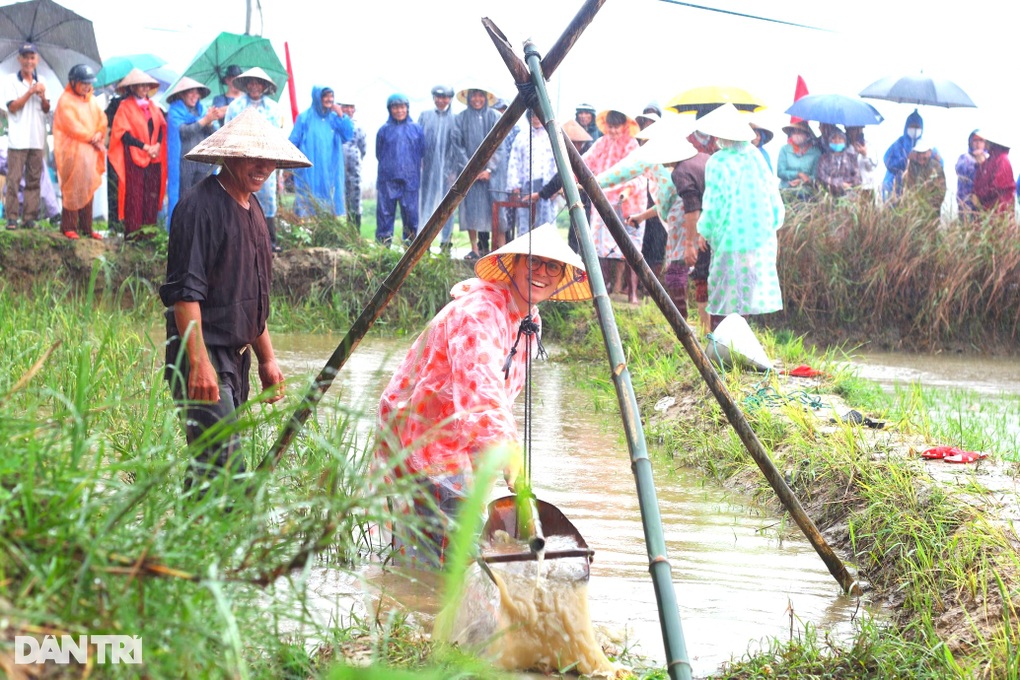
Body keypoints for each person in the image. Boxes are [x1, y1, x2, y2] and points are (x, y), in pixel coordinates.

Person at [374, 222, 590, 566]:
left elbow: (501, 400)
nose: (542, 273)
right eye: (533, 263)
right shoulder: (479, 312)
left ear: (562, 277)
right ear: (513, 264)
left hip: (458, 441)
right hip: (424, 436)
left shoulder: (528, 321)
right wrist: (509, 454)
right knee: (440, 557)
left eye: (553, 267)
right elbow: (482, 396)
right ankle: (422, 607)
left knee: (447, 546)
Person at [160, 108, 310, 496]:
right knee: (228, 471)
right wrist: (199, 364)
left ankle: (182, 548)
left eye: (268, 159)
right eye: (251, 157)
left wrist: (268, 359)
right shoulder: (198, 207)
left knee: (208, 472)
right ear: (228, 155)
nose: (262, 167)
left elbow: (251, 296)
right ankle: (224, 547)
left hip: (236, 357)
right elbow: (185, 295)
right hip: (202, 352)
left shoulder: (254, 208)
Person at [695, 104, 785, 331]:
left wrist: (704, 231)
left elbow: (713, 203)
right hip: (757, 236)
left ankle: (721, 344)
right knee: (746, 292)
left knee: (724, 291)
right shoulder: (756, 156)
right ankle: (740, 344)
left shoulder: (717, 161)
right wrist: (773, 225)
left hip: (729, 236)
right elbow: (772, 196)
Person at [598, 115, 696, 306]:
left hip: (684, 220)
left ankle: (680, 315)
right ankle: (681, 312)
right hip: (687, 219)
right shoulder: (677, 164)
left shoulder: (658, 161)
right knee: (680, 267)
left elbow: (620, 173)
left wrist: (590, 182)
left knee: (677, 268)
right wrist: (642, 216)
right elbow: (666, 201)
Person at [583, 109, 645, 297]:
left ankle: (632, 292)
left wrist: (627, 190)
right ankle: (604, 289)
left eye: (617, 127)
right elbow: (585, 162)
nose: (614, 131)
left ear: (624, 126)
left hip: (629, 201)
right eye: (610, 127)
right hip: (602, 199)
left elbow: (639, 172)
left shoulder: (632, 145)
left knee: (630, 248)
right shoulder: (600, 143)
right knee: (600, 247)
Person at [226, 67, 285, 251]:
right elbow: (227, 132)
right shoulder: (235, 106)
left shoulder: (273, 109)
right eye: (251, 82)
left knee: (267, 198)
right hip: (241, 159)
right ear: (245, 85)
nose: (254, 86)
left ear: (264, 86)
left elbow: (278, 136)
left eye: (258, 83)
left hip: (264, 160)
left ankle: (269, 241)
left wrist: (278, 169)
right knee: (240, 195)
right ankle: (240, 240)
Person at [109, 68, 167, 239]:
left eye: (146, 85)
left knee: (151, 193)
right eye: (140, 86)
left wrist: (156, 145)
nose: (144, 89)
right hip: (134, 156)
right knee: (134, 194)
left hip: (154, 157)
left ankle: (149, 232)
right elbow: (123, 134)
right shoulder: (124, 106)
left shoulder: (153, 107)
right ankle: (133, 233)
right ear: (132, 87)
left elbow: (161, 127)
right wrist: (144, 146)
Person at [52, 64, 106, 240]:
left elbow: (102, 120)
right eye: (83, 83)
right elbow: (71, 125)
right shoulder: (65, 100)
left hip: (89, 155)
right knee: (73, 189)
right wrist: (92, 136)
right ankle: (68, 226)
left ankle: (86, 227)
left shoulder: (92, 100)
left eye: (89, 83)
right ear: (74, 82)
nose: (87, 86)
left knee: (88, 189)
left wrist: (99, 133)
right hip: (72, 154)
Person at [450, 87, 502, 260]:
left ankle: (493, 251)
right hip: (468, 175)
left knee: (492, 211)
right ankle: (475, 248)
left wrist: (489, 169)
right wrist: (470, 170)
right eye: (474, 96)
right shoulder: (460, 119)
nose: (477, 99)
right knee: (470, 210)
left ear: (486, 98)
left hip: (490, 176)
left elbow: (500, 144)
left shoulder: (495, 117)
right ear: (468, 98)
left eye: (480, 95)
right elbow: (457, 145)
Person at [289, 85, 355, 221]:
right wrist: (289, 168)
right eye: (325, 96)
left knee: (329, 207)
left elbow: (348, 135)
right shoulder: (304, 118)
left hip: (330, 171)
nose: (329, 99)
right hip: (309, 172)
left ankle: (327, 237)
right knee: (307, 207)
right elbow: (292, 143)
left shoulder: (335, 118)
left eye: (331, 96)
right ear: (317, 97)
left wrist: (341, 115)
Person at [3, 43, 50, 230]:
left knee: (33, 180)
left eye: (32, 57)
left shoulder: (43, 80)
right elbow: (12, 107)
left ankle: (29, 217)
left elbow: (47, 109)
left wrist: (43, 96)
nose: (29, 61)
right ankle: (12, 217)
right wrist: (30, 91)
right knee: (13, 179)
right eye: (25, 57)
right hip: (17, 139)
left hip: (37, 139)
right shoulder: (10, 81)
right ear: (19, 59)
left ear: (37, 60)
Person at [166, 76, 225, 223]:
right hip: (185, 162)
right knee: (186, 197)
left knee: (204, 196)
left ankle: (202, 227)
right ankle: (184, 228)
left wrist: (210, 122)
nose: (194, 96)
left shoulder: (203, 110)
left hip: (204, 162)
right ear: (181, 94)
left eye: (196, 92)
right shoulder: (174, 112)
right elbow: (184, 132)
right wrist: (205, 121)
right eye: (190, 92)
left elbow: (214, 135)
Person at [531, 119, 592, 254]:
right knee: (575, 234)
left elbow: (560, 178)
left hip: (590, 200)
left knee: (583, 236)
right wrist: (543, 193)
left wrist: (541, 194)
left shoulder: (586, 155)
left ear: (577, 143)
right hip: (578, 200)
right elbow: (560, 178)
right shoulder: (569, 156)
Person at [374, 93, 425, 245]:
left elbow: (422, 151)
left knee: (411, 216)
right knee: (384, 215)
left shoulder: (416, 129)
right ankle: (383, 250)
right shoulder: (383, 130)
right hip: (387, 180)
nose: (399, 110)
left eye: (402, 107)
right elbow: (379, 153)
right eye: (395, 107)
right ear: (390, 109)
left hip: (410, 180)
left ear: (407, 108)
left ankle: (410, 250)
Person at [505, 109, 557, 237]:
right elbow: (514, 161)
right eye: (533, 116)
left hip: (547, 184)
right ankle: (525, 254)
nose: (536, 119)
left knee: (546, 223)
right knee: (525, 222)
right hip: (526, 185)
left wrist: (555, 189)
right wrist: (514, 185)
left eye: (539, 115)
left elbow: (557, 163)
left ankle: (545, 255)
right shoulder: (522, 136)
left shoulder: (552, 136)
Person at [418, 85, 457, 252]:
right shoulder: (425, 116)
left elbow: (457, 146)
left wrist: (453, 171)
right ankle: (423, 242)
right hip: (426, 171)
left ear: (450, 99)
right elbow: (417, 141)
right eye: (438, 97)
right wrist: (419, 162)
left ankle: (446, 242)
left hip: (448, 172)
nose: (441, 101)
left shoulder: (455, 119)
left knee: (447, 207)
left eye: (445, 97)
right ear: (434, 97)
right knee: (425, 205)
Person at [882, 110, 938, 200]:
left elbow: (939, 162)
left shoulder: (925, 145)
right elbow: (887, 161)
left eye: (917, 127)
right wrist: (906, 158)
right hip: (896, 187)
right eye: (912, 126)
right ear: (907, 127)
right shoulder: (899, 144)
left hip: (917, 189)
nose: (915, 130)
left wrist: (926, 158)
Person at [972, 129, 1015, 216]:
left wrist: (979, 196)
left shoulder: (1003, 160)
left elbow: (997, 188)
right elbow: (979, 182)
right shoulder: (990, 160)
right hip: (987, 213)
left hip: (998, 214)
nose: (985, 142)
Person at [339, 100, 367, 227]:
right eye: (346, 107)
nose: (349, 110)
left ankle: (354, 231)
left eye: (352, 107)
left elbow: (363, 148)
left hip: (353, 168)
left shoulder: (358, 126)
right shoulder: (335, 124)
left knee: (354, 199)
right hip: (336, 167)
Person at [776, 120, 821, 199]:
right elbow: (780, 172)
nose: (796, 135)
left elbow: (816, 176)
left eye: (799, 133)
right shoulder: (785, 150)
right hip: (785, 190)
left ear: (807, 136)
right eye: (794, 133)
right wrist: (798, 174)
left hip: (806, 193)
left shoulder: (815, 152)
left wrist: (804, 180)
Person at [902, 141, 946, 218]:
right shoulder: (911, 166)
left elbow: (941, 191)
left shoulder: (936, 167)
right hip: (914, 211)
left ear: (929, 153)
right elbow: (908, 187)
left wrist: (929, 206)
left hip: (931, 212)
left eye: (923, 153)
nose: (921, 156)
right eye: (919, 153)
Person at [815, 125, 860, 197]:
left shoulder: (852, 158)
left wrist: (847, 185)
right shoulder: (823, 159)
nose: (837, 141)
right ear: (829, 141)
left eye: (840, 138)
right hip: (828, 196)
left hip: (849, 195)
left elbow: (857, 177)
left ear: (845, 141)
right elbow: (822, 177)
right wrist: (839, 183)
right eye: (833, 138)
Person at [955, 130, 987, 218]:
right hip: (965, 203)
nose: (978, 144)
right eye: (975, 140)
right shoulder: (964, 158)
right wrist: (976, 163)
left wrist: (984, 163)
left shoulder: (988, 159)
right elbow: (959, 169)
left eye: (981, 141)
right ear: (970, 142)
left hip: (982, 204)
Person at [846, 126, 878, 203]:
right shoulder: (845, 148)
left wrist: (864, 154)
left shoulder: (869, 145)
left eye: (858, 130)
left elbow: (872, 167)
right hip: (851, 189)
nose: (855, 133)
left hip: (867, 188)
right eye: (852, 130)